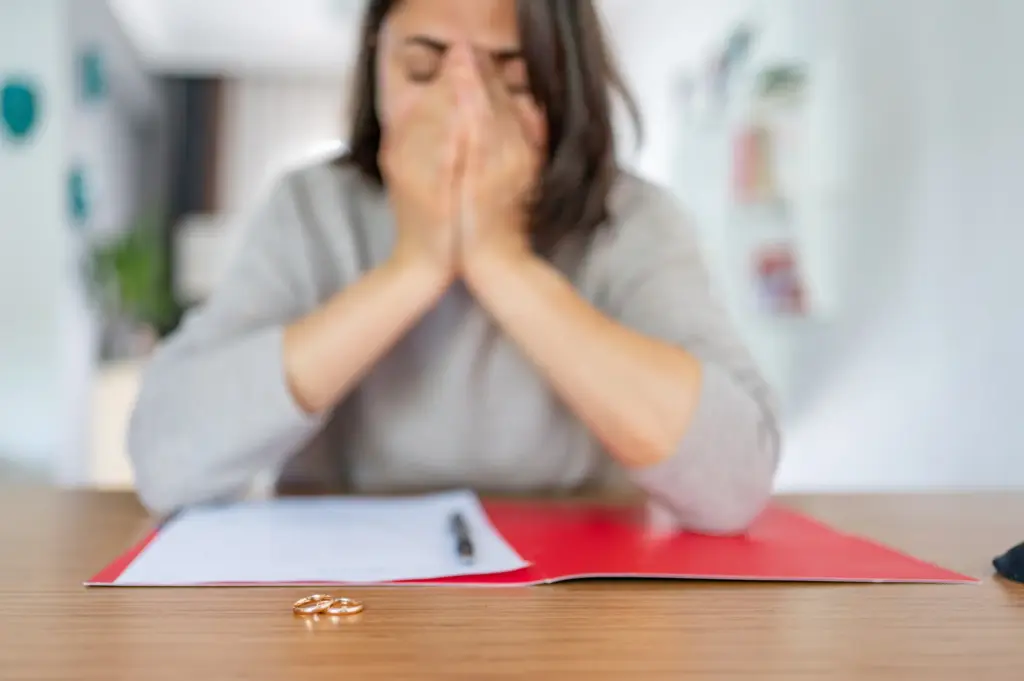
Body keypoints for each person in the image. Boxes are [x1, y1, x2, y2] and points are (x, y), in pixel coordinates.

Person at [128, 0, 780, 533]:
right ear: (376, 69)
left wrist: (500, 261)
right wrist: (415, 266)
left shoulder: (633, 220)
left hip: (576, 610)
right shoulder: (311, 208)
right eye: (422, 66)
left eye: (512, 74)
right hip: (346, 602)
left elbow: (735, 481)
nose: (464, 104)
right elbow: (168, 457)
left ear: (562, 88)